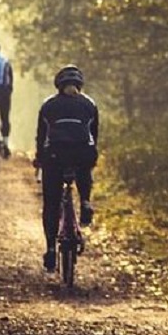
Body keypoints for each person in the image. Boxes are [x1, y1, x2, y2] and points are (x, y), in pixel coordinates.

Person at [33, 65, 99, 272]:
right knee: (84, 168)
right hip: (82, 153)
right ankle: (85, 201)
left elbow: (41, 136)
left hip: (55, 156)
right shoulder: (89, 105)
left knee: (51, 204)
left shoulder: (48, 106)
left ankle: (51, 249)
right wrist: (91, 156)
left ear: (58, 85)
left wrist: (39, 159)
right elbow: (94, 136)